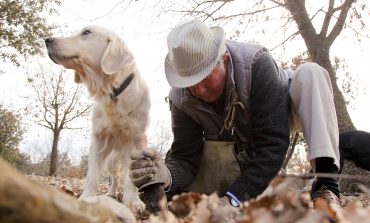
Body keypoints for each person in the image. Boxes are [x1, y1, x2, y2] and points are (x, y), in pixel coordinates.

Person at [129, 19, 340, 207]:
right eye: (191, 84)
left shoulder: (256, 64)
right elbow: (185, 156)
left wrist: (233, 199)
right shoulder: (181, 98)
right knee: (184, 195)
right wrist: (166, 177)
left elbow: (273, 145)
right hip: (233, 144)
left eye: (205, 78)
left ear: (226, 60)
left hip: (282, 110)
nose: (199, 90)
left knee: (311, 73)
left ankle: (326, 185)